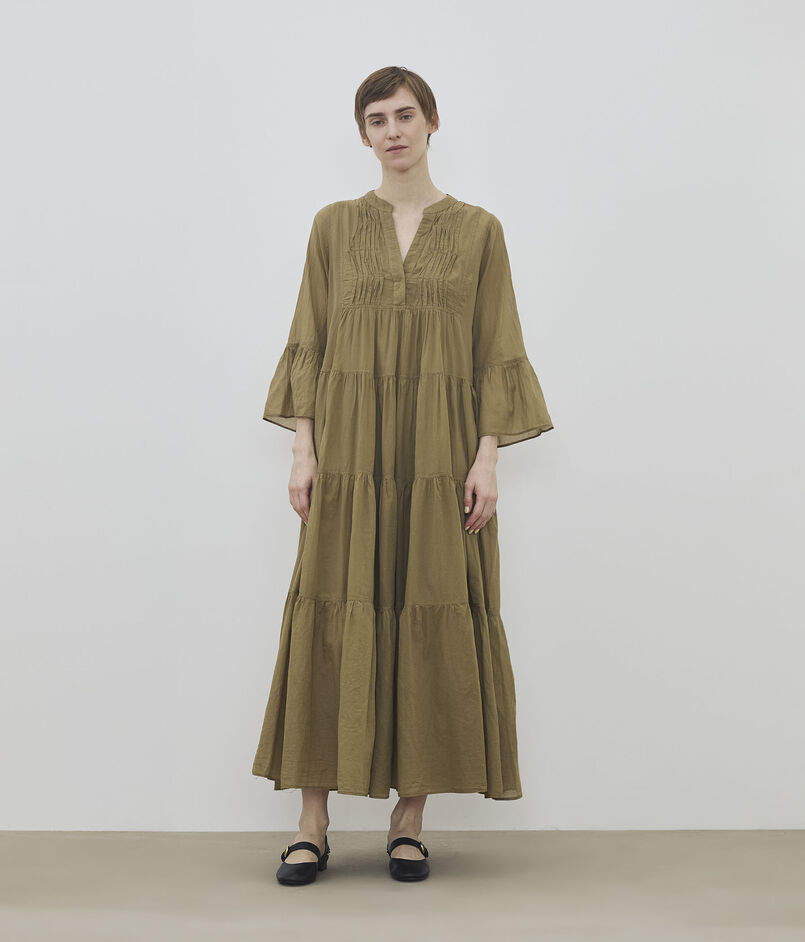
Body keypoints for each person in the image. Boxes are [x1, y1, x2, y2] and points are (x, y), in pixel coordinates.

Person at [252, 66, 554, 885]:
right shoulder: (332, 226)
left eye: (405, 115)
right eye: (377, 119)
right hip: (348, 456)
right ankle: (311, 821)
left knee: (429, 602)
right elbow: (309, 337)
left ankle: (408, 821)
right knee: (331, 605)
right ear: (362, 134)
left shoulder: (479, 231)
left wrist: (486, 457)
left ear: (431, 123)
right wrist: (303, 449)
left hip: (438, 455)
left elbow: (495, 346)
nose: (392, 130)